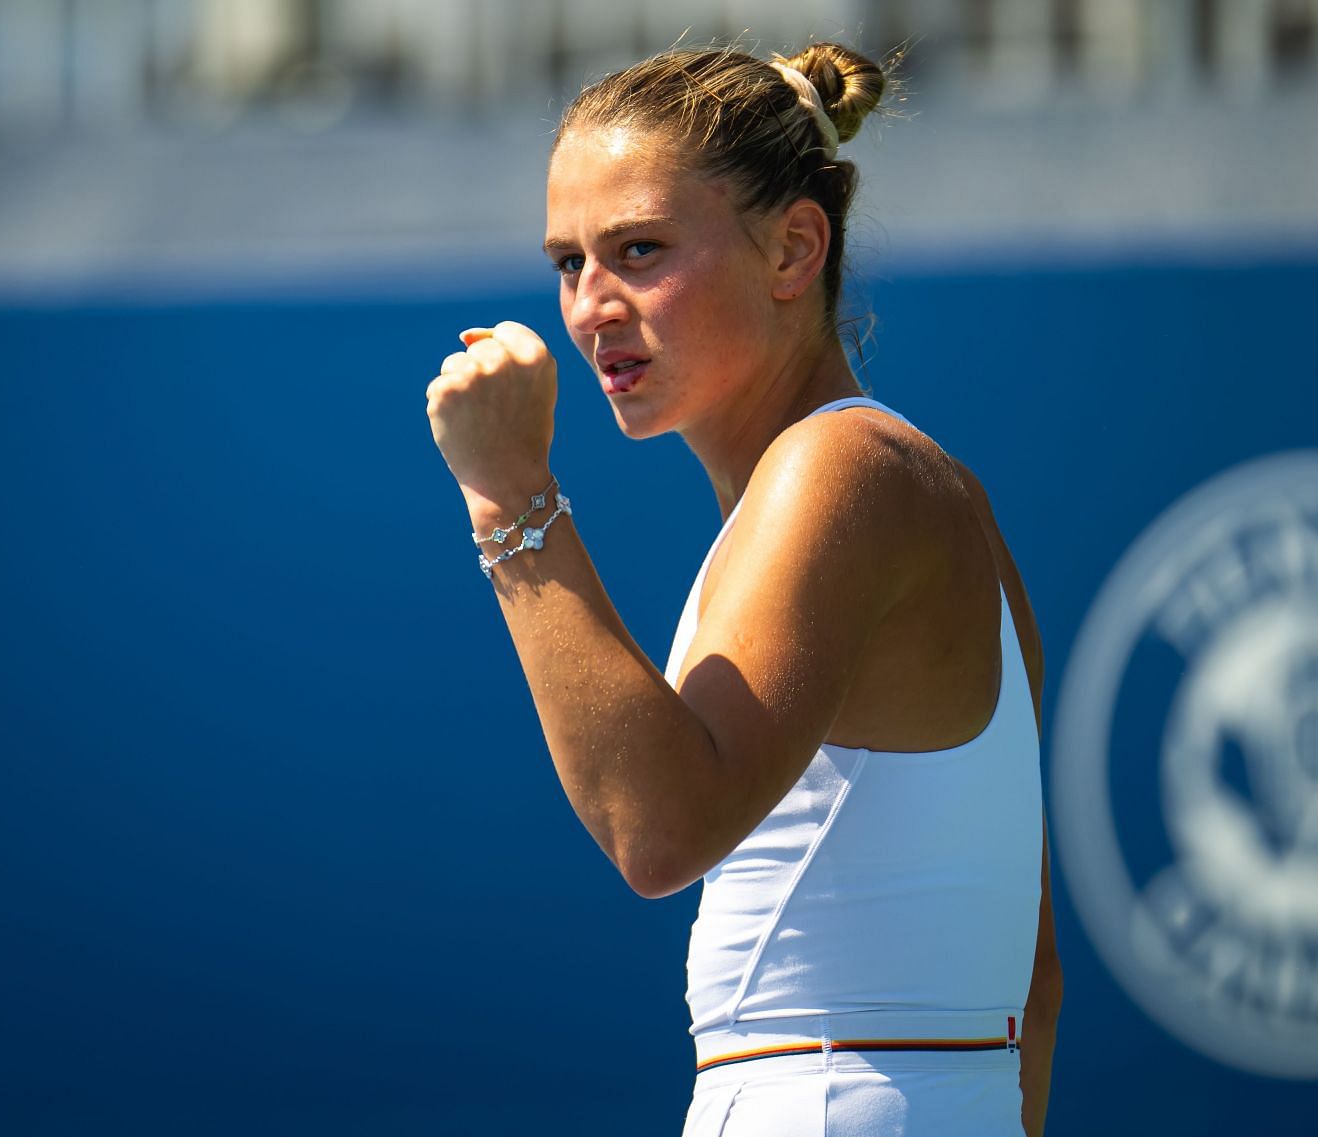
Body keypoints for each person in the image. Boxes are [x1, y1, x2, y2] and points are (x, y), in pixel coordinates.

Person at [424, 40, 1061, 1136]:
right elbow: (1033, 981)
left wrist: (510, 498)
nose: (590, 306)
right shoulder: (903, 485)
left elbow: (660, 831)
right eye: (568, 262)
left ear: (792, 249)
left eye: (639, 249)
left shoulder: (842, 470)